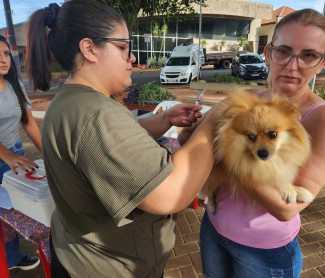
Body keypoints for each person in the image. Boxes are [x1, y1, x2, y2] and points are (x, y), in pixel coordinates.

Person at [25, 1, 220, 277]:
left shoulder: (70, 101)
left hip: (76, 254)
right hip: (109, 267)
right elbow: (170, 194)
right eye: (122, 47)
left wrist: (165, 119)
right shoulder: (96, 115)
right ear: (89, 49)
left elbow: (119, 136)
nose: (131, 58)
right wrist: (211, 127)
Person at [181, 9, 325, 278]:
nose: (292, 65)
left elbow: (285, 207)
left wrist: (229, 154)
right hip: (213, 229)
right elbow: (192, 141)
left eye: (308, 55)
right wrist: (188, 129)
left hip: (263, 251)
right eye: (284, 51)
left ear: (323, 62)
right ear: (269, 53)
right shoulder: (244, 98)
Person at [0, 35, 41, 270]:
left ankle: (13, 258)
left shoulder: (14, 86)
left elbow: (29, 122)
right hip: (6, 157)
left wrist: (49, 152)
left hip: (14, 154)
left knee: (13, 209)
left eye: (6, 54)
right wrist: (6, 155)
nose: (3, 59)